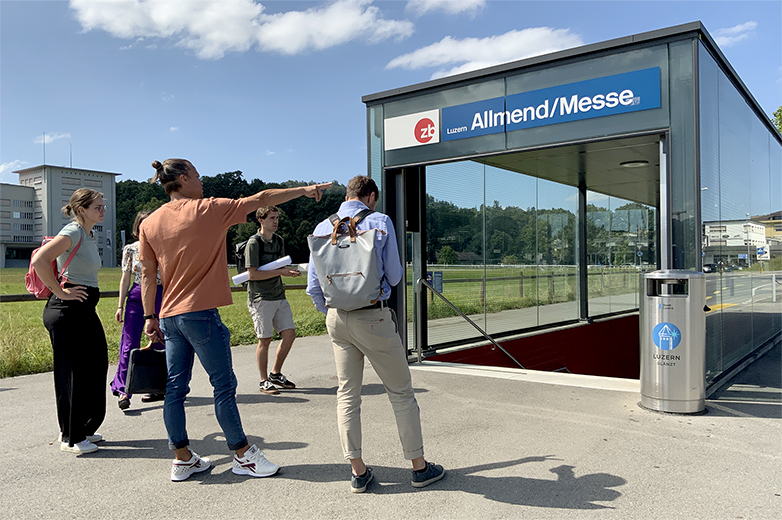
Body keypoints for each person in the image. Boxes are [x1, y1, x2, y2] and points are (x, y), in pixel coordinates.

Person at [139, 158, 330, 482]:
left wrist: (149, 316)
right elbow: (263, 198)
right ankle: (242, 454)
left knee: (175, 389)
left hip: (169, 316)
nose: (202, 182)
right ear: (183, 179)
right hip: (200, 314)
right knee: (224, 386)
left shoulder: (150, 223)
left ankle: (182, 458)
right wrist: (305, 190)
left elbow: (147, 273)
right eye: (198, 176)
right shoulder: (207, 209)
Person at [306, 175, 445, 493]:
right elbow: (395, 276)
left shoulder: (322, 228)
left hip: (337, 319)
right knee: (400, 393)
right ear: (370, 196)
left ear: (347, 195)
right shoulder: (380, 222)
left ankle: (358, 471)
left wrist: (332, 310)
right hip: (374, 318)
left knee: (347, 394)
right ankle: (419, 468)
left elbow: (315, 287)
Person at [33, 188, 109, 454]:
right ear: (81, 210)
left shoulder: (89, 233)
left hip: (84, 309)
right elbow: (40, 259)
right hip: (67, 311)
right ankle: (71, 437)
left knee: (96, 365)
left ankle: (84, 426)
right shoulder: (73, 231)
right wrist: (60, 291)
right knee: (73, 373)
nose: (102, 210)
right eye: (98, 206)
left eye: (103, 206)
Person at [111, 209, 165, 411]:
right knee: (129, 343)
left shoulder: (163, 247)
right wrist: (120, 305)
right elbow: (125, 278)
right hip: (136, 295)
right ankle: (124, 389)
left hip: (160, 294)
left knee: (160, 340)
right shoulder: (130, 249)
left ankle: (157, 385)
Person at [245, 206, 301, 395]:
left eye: (277, 218)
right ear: (260, 220)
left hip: (278, 295)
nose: (276, 221)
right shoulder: (253, 243)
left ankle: (275, 373)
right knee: (265, 339)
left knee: (290, 334)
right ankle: (263, 381)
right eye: (271, 218)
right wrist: (281, 272)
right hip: (261, 297)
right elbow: (252, 275)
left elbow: (280, 266)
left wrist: (289, 272)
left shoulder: (279, 241)